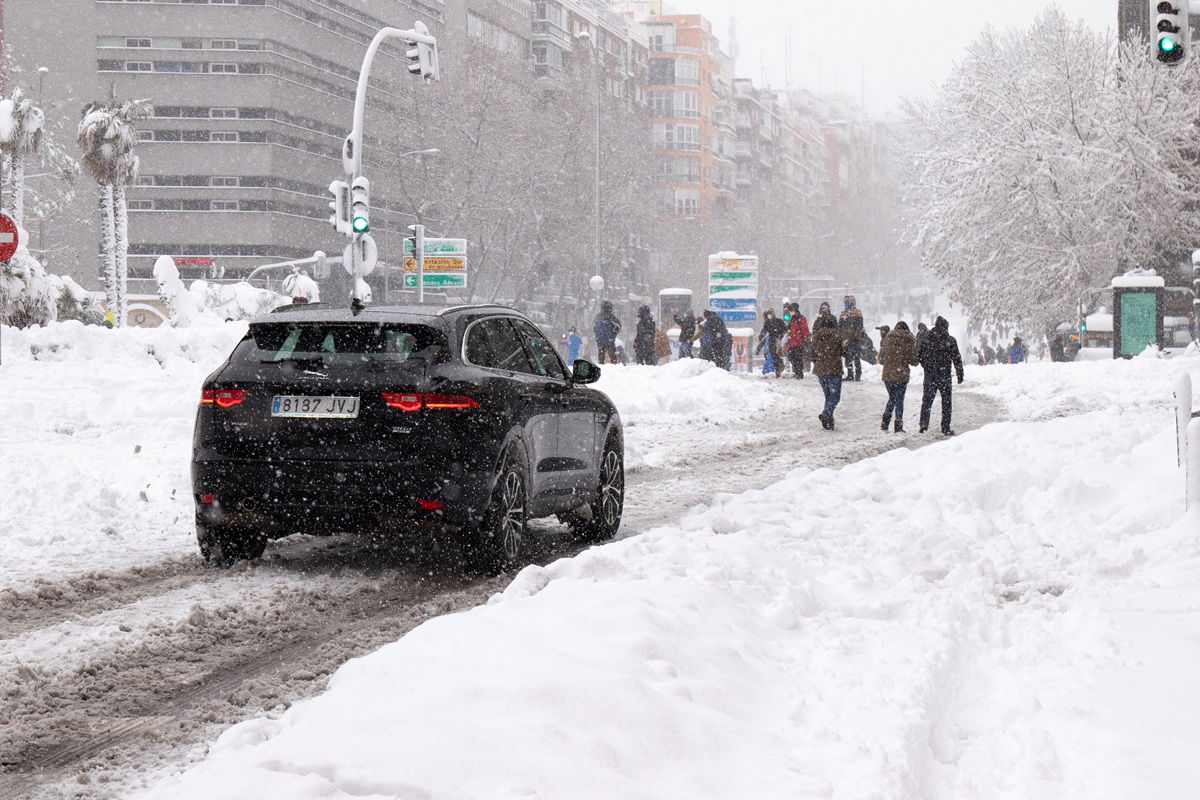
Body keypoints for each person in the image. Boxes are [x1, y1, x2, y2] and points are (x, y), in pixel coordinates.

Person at [917, 316, 965, 436]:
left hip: (930, 375)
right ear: (945, 327)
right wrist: (960, 374)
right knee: (946, 402)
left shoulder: (927, 338)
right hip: (944, 375)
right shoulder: (950, 340)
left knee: (927, 401)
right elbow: (957, 358)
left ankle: (923, 424)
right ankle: (945, 427)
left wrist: (927, 367)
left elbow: (920, 356)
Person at [878, 321, 919, 433]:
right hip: (901, 375)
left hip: (887, 375)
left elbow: (881, 359)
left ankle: (885, 424)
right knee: (899, 399)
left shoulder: (887, 338)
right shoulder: (908, 339)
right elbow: (914, 360)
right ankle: (898, 425)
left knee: (892, 398)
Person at [811, 314, 846, 430]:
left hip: (821, 371)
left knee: (828, 396)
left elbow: (812, 354)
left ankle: (829, 423)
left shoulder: (816, 337)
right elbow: (844, 352)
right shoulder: (837, 336)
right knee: (835, 397)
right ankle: (826, 413)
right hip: (834, 370)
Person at [838, 295, 865, 381]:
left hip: (855, 340)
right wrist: (842, 338)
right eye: (845, 302)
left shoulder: (858, 313)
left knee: (856, 357)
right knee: (848, 358)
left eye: (848, 302)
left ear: (852, 302)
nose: (846, 304)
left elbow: (860, 327)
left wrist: (855, 337)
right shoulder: (843, 314)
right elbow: (840, 328)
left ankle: (858, 374)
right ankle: (850, 374)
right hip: (846, 340)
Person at [757, 308, 788, 378]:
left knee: (777, 354)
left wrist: (781, 335)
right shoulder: (767, 323)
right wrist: (761, 335)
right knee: (774, 355)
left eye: (770, 314)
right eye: (767, 315)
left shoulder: (779, 321)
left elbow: (785, 329)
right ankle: (778, 369)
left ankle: (779, 367)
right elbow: (764, 330)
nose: (769, 316)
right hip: (772, 340)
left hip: (779, 339)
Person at [785, 303, 810, 379]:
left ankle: (799, 373)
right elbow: (790, 331)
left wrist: (805, 338)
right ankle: (796, 372)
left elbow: (805, 329)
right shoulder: (792, 319)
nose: (790, 313)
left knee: (798, 358)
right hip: (792, 342)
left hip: (799, 342)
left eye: (791, 311)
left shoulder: (801, 318)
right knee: (792, 357)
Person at [593, 301, 621, 365]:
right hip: (610, 340)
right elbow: (618, 327)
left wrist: (598, 335)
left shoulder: (598, 316)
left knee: (601, 356)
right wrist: (613, 334)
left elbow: (594, 328)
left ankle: (601, 367)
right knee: (612, 355)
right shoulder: (612, 317)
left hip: (600, 339)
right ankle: (614, 367)